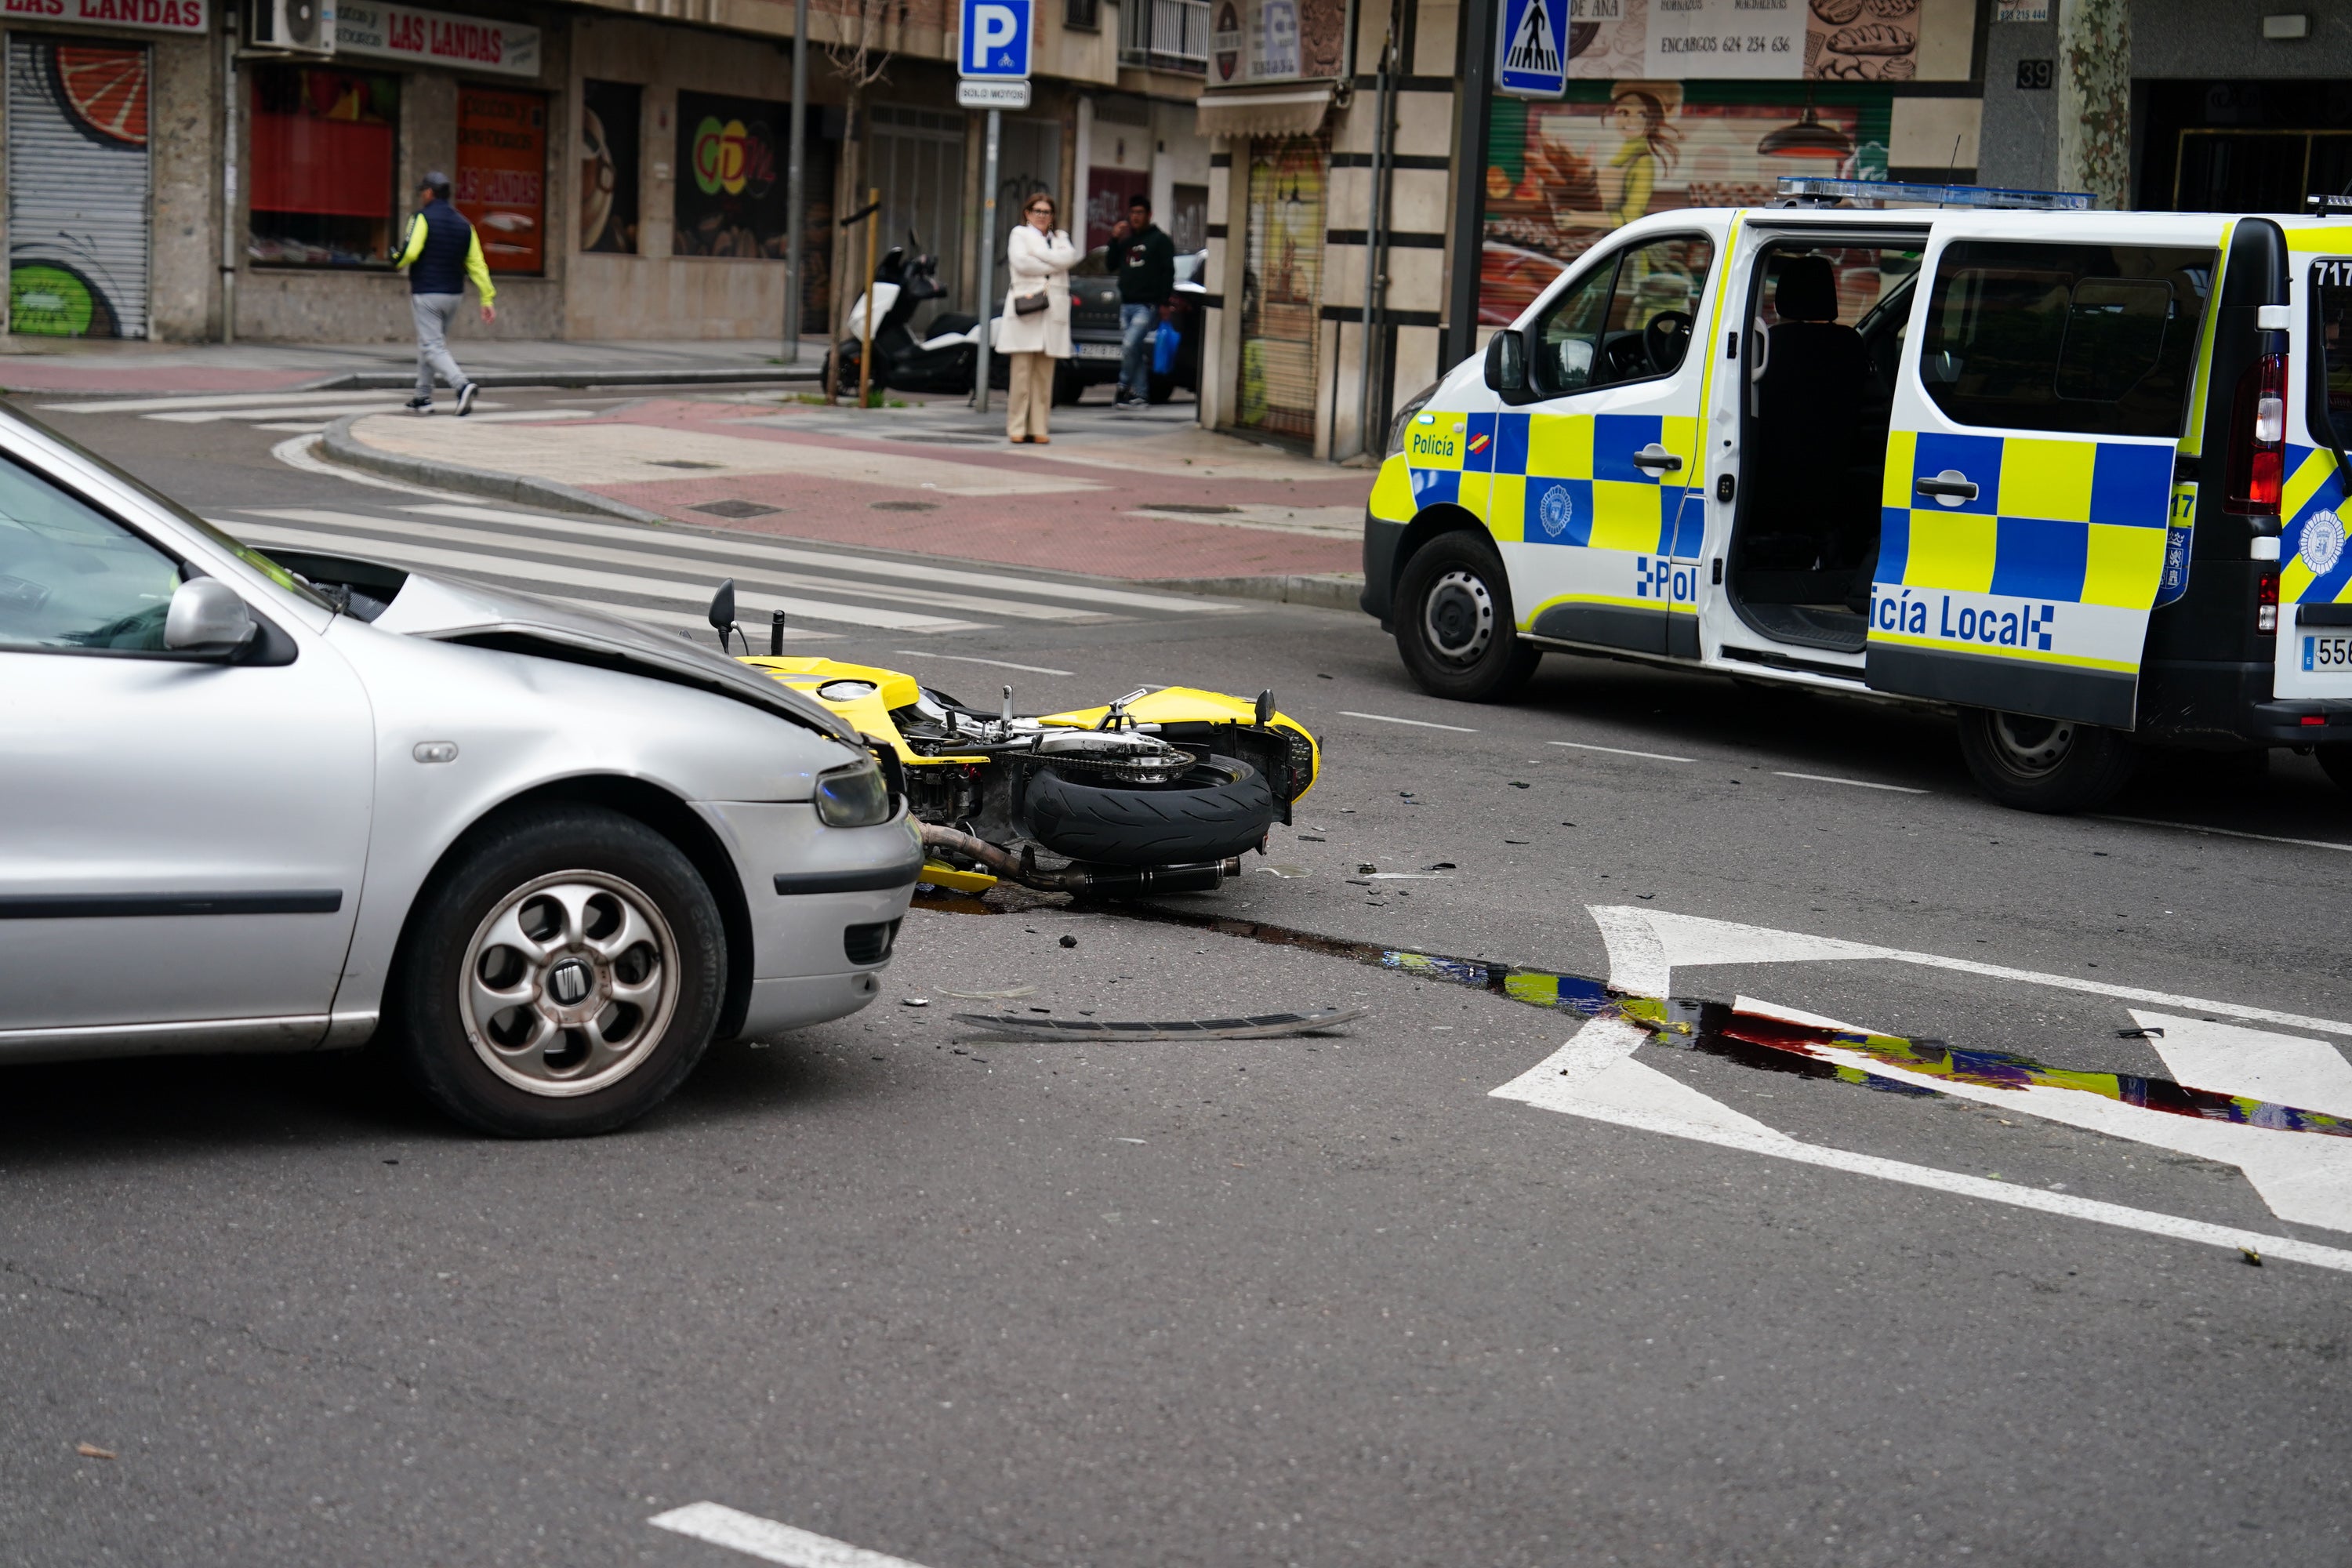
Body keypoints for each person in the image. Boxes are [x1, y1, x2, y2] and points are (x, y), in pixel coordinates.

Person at [397, 172, 497, 416]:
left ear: (430, 193)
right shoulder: (465, 224)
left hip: (428, 291)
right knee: (431, 345)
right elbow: (476, 263)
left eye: (423, 191)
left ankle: (461, 385)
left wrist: (395, 259)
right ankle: (422, 397)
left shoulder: (421, 217)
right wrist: (487, 297)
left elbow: (410, 252)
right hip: (454, 295)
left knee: (432, 346)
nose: (422, 195)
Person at [998, 191, 1078, 445]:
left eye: (1046, 212)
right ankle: (1017, 427)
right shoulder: (1019, 234)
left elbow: (1070, 258)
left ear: (1052, 216)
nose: (1042, 216)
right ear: (1028, 213)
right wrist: (1055, 263)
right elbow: (1022, 264)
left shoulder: (1061, 238)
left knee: (1044, 378)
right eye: (1037, 211)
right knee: (1021, 376)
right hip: (1027, 308)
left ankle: (1040, 427)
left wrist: (1042, 257)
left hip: (1053, 311)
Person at [1109, 195, 1175, 410]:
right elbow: (1110, 265)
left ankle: (1122, 387)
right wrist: (1114, 240)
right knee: (1133, 349)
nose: (1135, 217)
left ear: (1149, 215)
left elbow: (1168, 272)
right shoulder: (1127, 242)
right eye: (1132, 213)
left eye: (1139, 213)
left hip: (1147, 306)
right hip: (1126, 304)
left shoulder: (1160, 240)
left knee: (1129, 344)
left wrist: (1165, 302)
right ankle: (1141, 395)